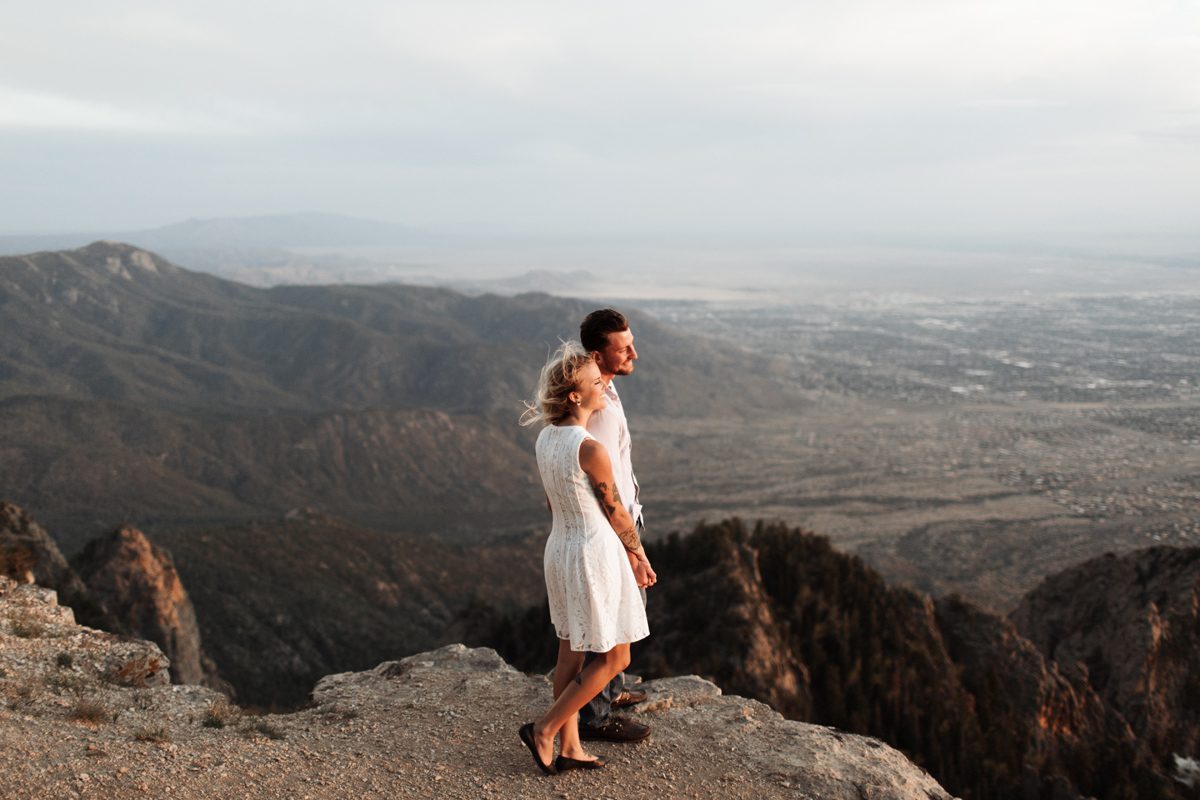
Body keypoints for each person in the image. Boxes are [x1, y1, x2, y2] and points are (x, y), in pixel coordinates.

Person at [518, 341, 657, 775]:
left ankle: (572, 746)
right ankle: (545, 729)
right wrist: (638, 556)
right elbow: (615, 510)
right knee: (616, 658)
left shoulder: (546, 438)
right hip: (595, 552)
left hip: (559, 548)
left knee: (571, 654)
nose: (603, 387)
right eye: (596, 383)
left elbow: (550, 504)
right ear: (576, 395)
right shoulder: (591, 448)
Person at [577, 309, 652, 742]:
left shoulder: (607, 390)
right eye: (623, 348)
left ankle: (613, 689)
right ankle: (595, 715)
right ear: (597, 353)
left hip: (625, 518)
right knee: (613, 617)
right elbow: (596, 476)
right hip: (612, 528)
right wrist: (630, 546)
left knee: (628, 613)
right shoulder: (594, 405)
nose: (634, 354)